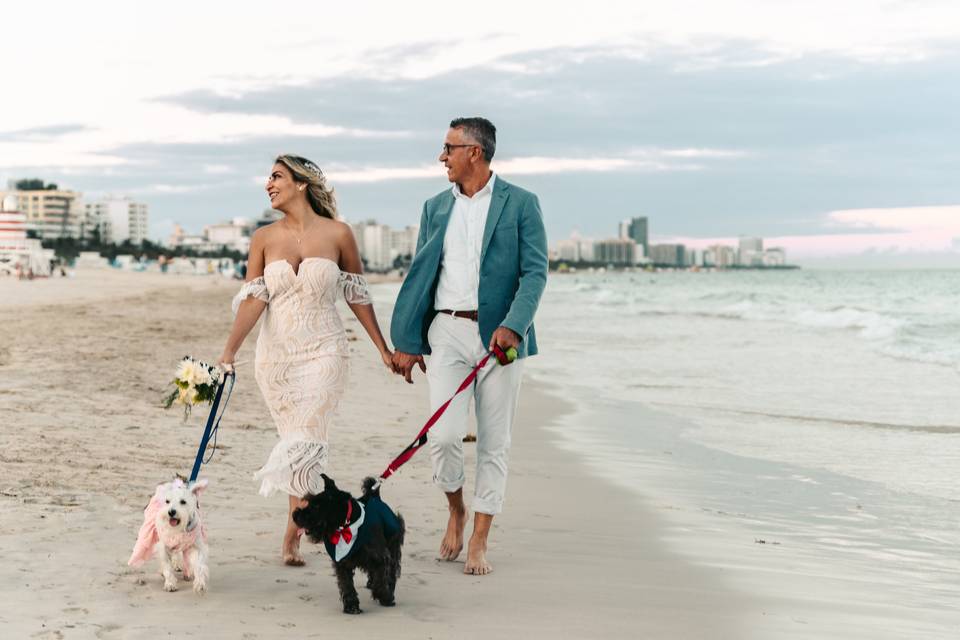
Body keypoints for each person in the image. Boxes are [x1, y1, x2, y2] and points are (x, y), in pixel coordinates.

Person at [218, 154, 394, 566]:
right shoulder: (263, 238)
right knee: (298, 442)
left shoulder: (339, 234)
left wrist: (382, 349)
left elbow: (357, 296)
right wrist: (229, 351)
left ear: (301, 183)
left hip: (326, 351)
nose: (268, 184)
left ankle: (294, 531)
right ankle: (298, 526)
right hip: (276, 360)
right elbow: (255, 299)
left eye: (276, 176)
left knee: (306, 440)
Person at [390, 117, 548, 575]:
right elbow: (422, 274)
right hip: (446, 331)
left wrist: (514, 326)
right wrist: (408, 340)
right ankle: (456, 509)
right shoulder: (434, 207)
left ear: (474, 152)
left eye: (449, 148)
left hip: (500, 341)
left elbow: (535, 272)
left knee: (494, 443)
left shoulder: (521, 203)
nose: (443, 156)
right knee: (441, 436)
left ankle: (480, 536)